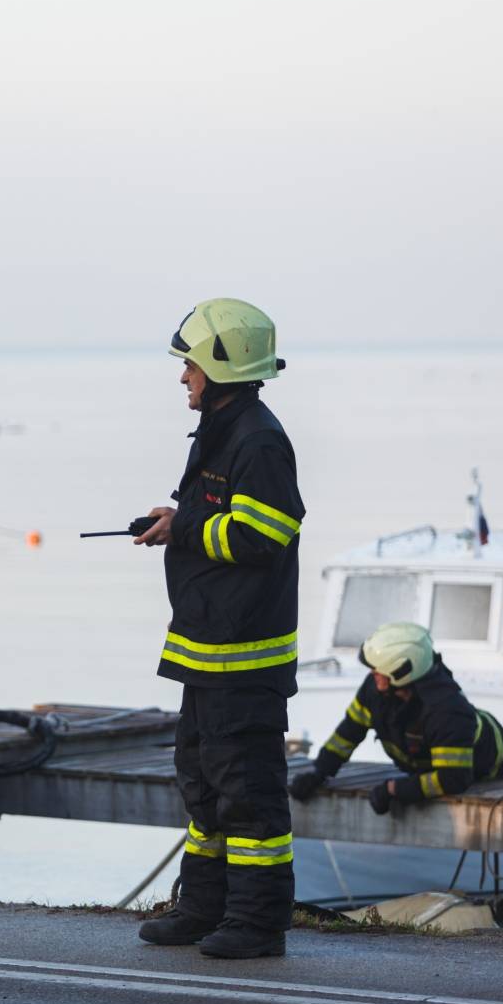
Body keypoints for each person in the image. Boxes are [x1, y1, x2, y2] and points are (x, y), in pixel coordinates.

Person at [134, 298, 304, 960]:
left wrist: (187, 528)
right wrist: (175, 516)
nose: (184, 377)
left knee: (248, 793)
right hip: (206, 651)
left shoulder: (257, 438)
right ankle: (205, 906)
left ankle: (257, 923)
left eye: (192, 365)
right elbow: (216, 514)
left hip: (244, 656)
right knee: (201, 782)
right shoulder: (222, 430)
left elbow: (266, 532)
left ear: (223, 365)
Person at [289, 622, 503, 811]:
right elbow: (349, 732)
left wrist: (397, 790)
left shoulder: (445, 711)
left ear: (402, 671)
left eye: (379, 670)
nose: (373, 676)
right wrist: (319, 772)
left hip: (489, 754)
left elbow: (454, 778)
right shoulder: (377, 688)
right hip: (425, 760)